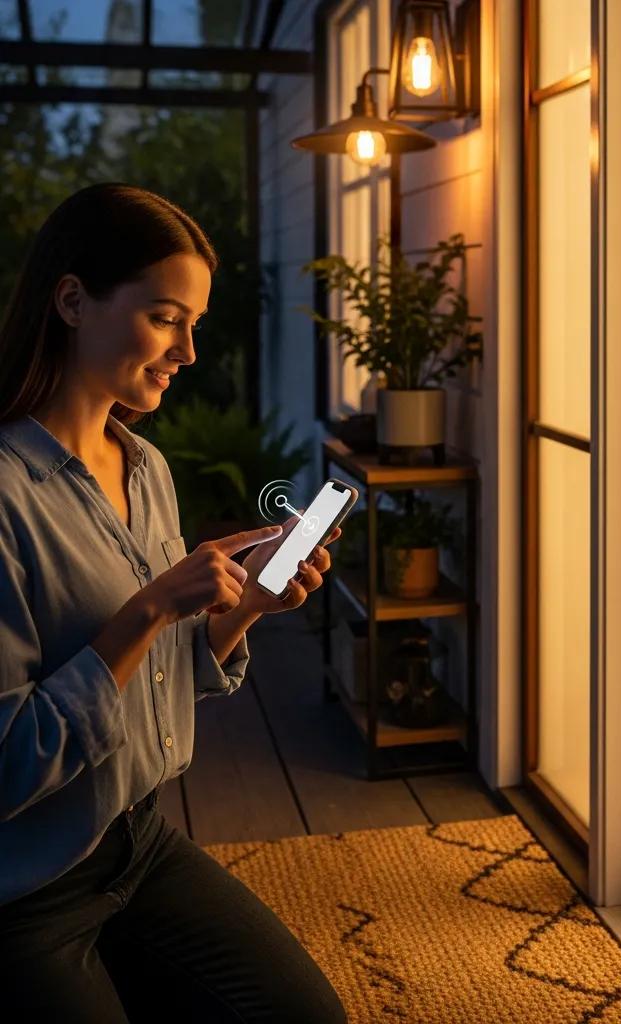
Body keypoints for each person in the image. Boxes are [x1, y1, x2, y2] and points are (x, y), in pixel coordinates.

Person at [0, 183, 348, 1022]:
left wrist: (246, 607)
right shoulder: (7, 495)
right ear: (72, 301)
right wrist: (149, 608)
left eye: (194, 324)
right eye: (165, 318)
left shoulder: (145, 468)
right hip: (23, 889)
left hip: (138, 842)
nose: (188, 352)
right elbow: (7, 765)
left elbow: (158, 680)